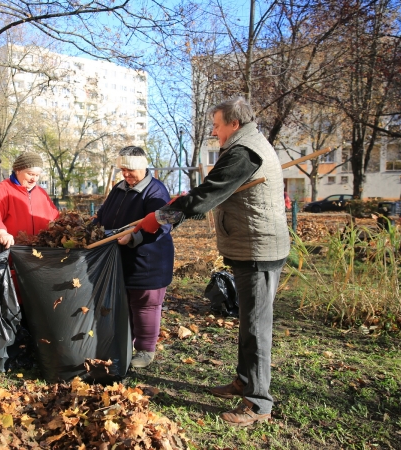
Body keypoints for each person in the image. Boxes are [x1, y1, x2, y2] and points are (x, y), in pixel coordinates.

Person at [135, 97, 290, 426]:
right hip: (250, 246)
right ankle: (245, 382)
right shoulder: (246, 145)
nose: (214, 131)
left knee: (256, 327)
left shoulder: (243, 151)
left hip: (260, 250)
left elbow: (207, 196)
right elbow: (213, 191)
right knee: (249, 323)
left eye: (217, 125)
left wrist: (161, 217)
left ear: (234, 124)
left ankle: (258, 403)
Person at [94, 146, 174, 369]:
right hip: (121, 258)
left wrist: (134, 237)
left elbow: (164, 225)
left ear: (142, 167)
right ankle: (124, 344)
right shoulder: (119, 189)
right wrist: (92, 228)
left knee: (145, 304)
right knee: (125, 304)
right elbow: (103, 215)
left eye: (130, 170)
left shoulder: (156, 191)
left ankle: (146, 350)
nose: (126, 175)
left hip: (149, 261)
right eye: (123, 170)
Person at [0, 152, 59, 265]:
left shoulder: (41, 193)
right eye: (30, 174)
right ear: (18, 170)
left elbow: (56, 218)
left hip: (33, 261)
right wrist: (1, 232)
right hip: (6, 260)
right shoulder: (3, 190)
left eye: (37, 175)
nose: (34, 179)